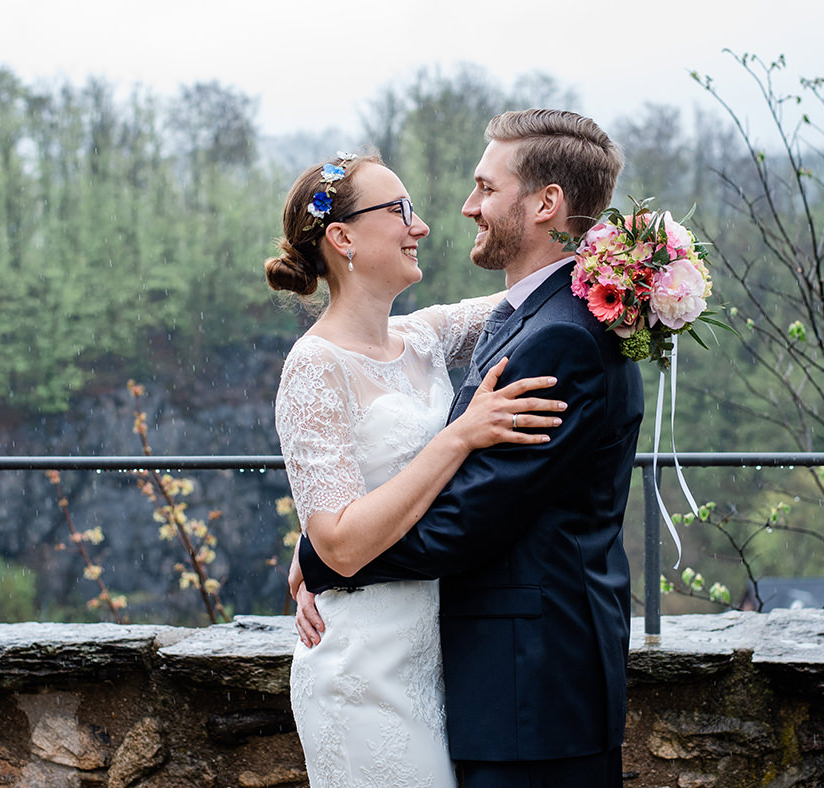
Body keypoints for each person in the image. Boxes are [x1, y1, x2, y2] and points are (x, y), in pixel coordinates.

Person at [295, 110, 644, 788]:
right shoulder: (529, 314)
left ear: (545, 203)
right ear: (340, 238)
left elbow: (466, 523)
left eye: (485, 188)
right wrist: (327, 520)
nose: (464, 208)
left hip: (533, 686)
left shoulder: (560, 339)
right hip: (478, 674)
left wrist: (328, 555)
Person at [267, 151, 568, 788]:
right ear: (342, 238)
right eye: (399, 211)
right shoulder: (312, 368)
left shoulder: (426, 338)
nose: (421, 226)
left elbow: (537, 297)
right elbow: (343, 545)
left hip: (435, 654)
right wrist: (457, 438)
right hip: (361, 665)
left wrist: (639, 266)